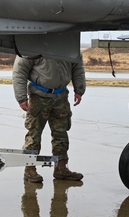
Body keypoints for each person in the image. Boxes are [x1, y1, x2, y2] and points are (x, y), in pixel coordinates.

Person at [12, 54, 86, 183]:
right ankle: (30, 169)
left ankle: (61, 168)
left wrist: (79, 89)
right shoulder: (33, 46)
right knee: (34, 134)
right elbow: (20, 71)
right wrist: (21, 97)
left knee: (61, 134)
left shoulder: (69, 47)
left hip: (61, 97)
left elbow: (77, 67)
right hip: (38, 97)